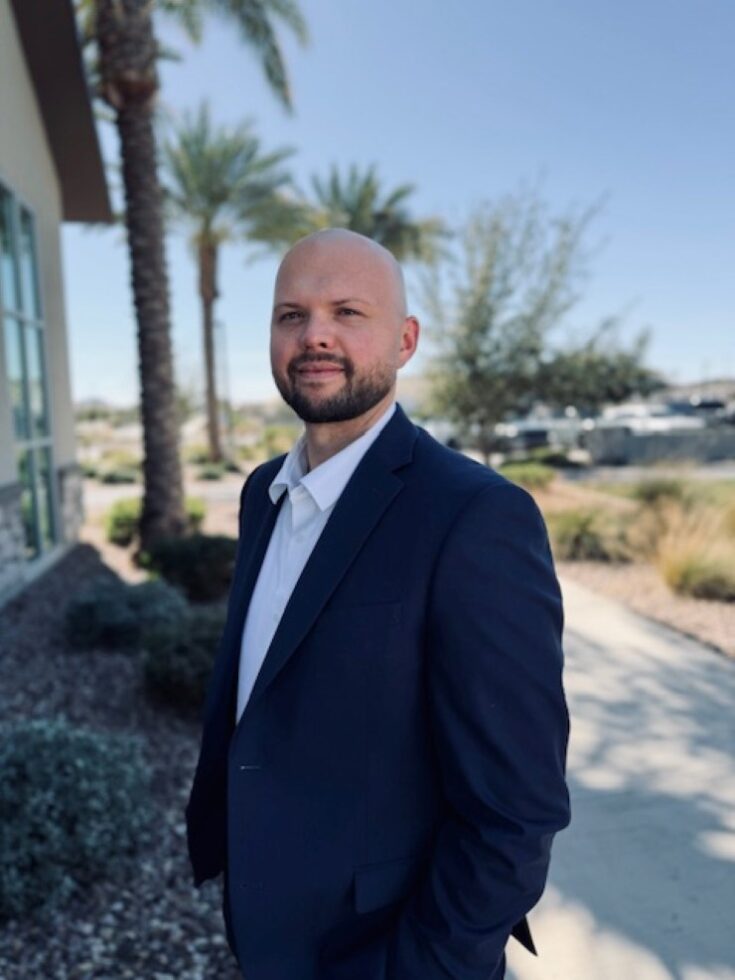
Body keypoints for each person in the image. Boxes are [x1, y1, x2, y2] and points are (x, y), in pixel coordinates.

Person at [186, 228, 570, 980]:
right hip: (266, 930)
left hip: (386, 950)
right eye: (290, 315)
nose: (314, 334)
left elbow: (515, 810)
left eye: (347, 312)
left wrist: (427, 964)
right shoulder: (262, 493)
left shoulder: (474, 516)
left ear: (404, 340)